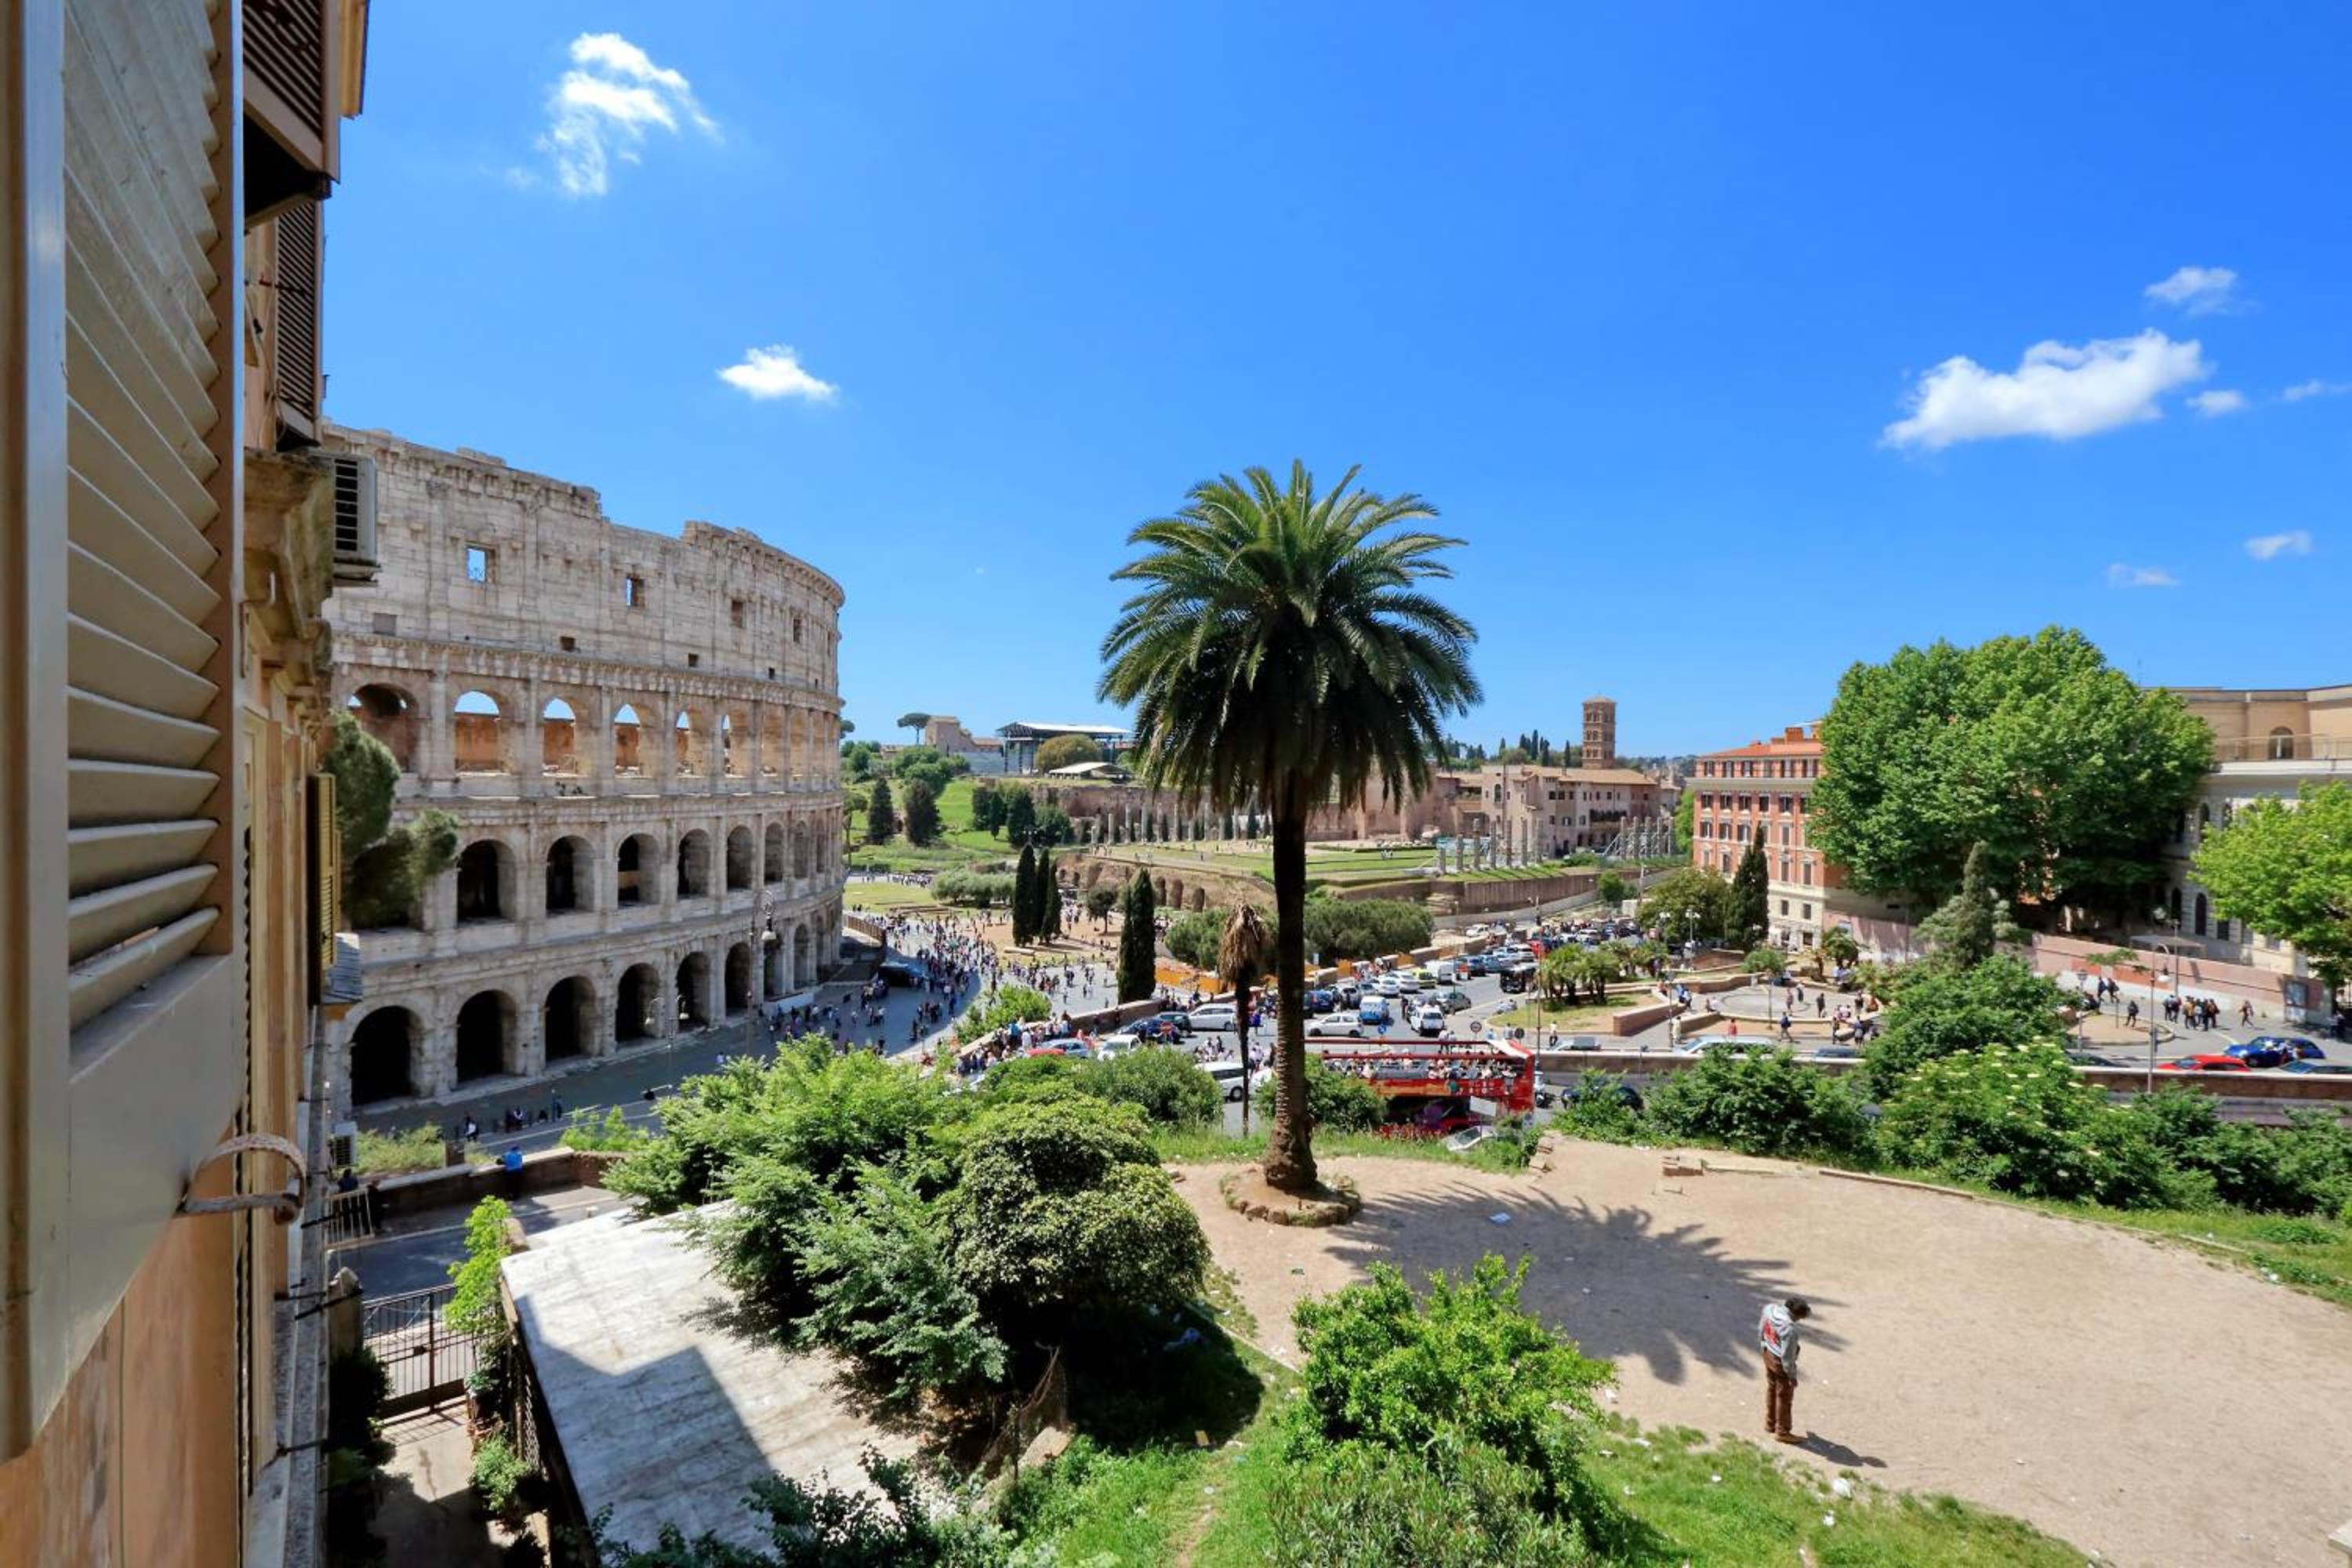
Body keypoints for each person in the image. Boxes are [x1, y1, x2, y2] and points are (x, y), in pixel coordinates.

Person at [1759, 1294, 1811, 1443]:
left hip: (1767, 1353)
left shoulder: (1770, 1310)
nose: (1799, 1321)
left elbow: (1762, 1329)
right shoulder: (1789, 1329)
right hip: (1780, 1363)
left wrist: (1763, 1344)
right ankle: (1782, 1432)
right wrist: (1792, 1376)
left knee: (1772, 1388)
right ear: (1796, 1314)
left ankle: (1770, 1423)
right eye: (1800, 1318)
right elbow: (1787, 1357)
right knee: (1784, 1398)